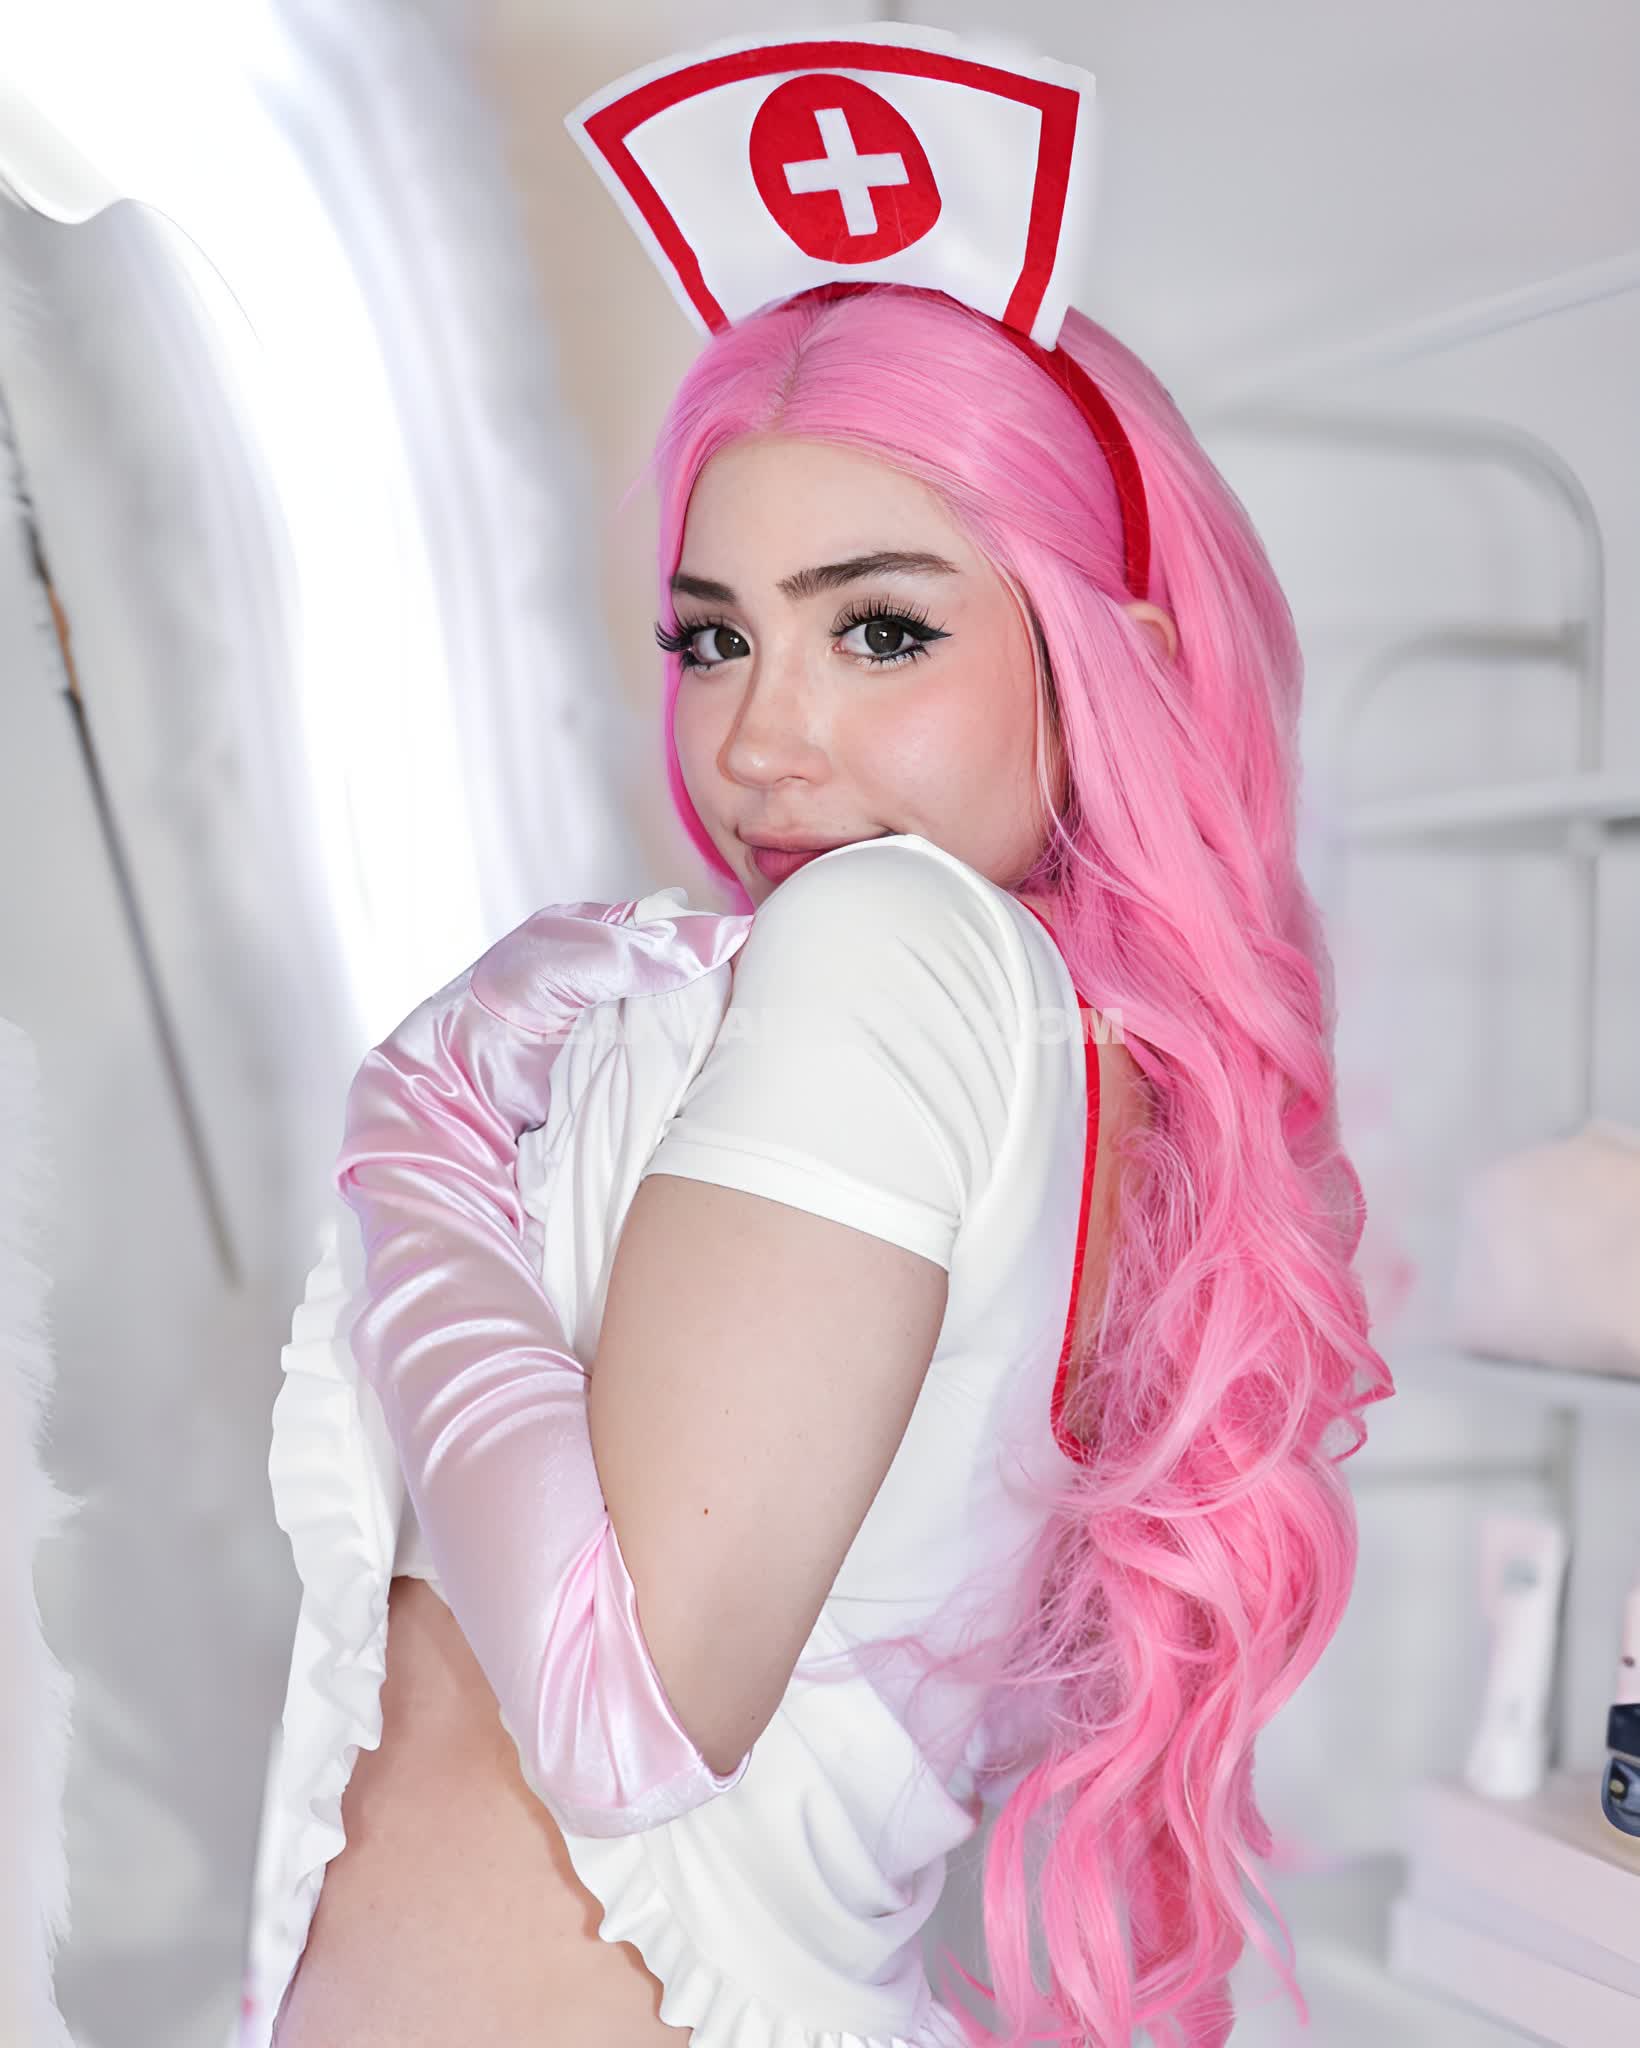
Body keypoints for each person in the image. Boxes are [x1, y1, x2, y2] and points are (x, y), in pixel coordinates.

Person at [246, 28, 1392, 2048]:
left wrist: (411, 1133)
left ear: (1106, 668)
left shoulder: (896, 951)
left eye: (880, 629)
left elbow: (614, 1715)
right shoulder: (1052, 1050)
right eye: (716, 636)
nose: (762, 739)